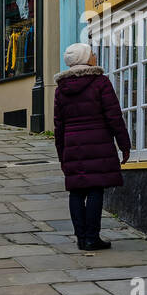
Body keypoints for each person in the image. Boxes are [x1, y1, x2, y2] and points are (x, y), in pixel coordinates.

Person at [54, 43, 131, 252]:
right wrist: (124, 145)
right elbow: (114, 117)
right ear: (85, 58)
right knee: (96, 188)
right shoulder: (100, 83)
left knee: (77, 191)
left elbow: (58, 126)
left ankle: (81, 238)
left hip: (72, 145)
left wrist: (62, 153)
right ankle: (92, 238)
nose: (95, 56)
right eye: (92, 54)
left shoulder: (61, 89)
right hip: (99, 144)